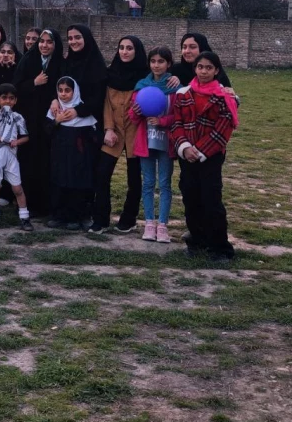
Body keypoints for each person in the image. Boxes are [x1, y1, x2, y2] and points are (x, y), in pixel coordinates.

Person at [171, 51, 239, 262]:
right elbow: (176, 122)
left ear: (216, 70)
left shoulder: (224, 98)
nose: (204, 71)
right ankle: (196, 240)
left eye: (209, 68)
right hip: (187, 154)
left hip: (210, 156)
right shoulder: (184, 94)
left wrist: (199, 151)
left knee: (211, 199)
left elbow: (222, 129)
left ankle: (220, 247)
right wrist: (184, 147)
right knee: (190, 196)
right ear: (195, 69)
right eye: (200, 67)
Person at [89, 35, 147, 235]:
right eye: (121, 47)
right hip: (113, 132)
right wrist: (108, 129)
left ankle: (128, 219)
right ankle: (101, 219)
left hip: (136, 132)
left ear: (136, 51)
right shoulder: (110, 74)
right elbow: (105, 103)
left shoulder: (145, 76)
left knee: (134, 179)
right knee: (102, 174)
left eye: (129, 48)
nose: (124, 51)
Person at [128, 46, 177, 243]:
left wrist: (162, 121)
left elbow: (178, 116)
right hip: (146, 142)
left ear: (169, 64)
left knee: (164, 184)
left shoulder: (174, 88)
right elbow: (132, 116)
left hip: (166, 143)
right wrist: (137, 111)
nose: (156, 65)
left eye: (161, 61)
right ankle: (149, 223)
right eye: (153, 61)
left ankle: (163, 225)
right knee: (148, 183)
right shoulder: (142, 85)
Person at [13, 28, 64, 219]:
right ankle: (29, 203)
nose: (44, 45)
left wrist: (54, 97)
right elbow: (16, 87)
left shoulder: (60, 62)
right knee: (30, 161)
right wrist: (33, 83)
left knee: (48, 161)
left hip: (52, 120)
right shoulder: (28, 60)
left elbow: (65, 86)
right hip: (30, 119)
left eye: (49, 42)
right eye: (41, 41)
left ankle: (49, 204)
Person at [45, 77, 98, 230]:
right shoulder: (54, 110)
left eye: (67, 90)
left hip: (79, 156)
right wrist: (58, 120)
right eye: (60, 90)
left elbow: (92, 135)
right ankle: (59, 216)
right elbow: (47, 131)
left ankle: (76, 217)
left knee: (77, 184)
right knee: (59, 184)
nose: (63, 94)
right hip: (59, 156)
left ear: (75, 91)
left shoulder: (81, 109)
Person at [0, 84, 32, 231]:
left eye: (11, 98)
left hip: (11, 156)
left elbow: (25, 137)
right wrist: (0, 139)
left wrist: (17, 141)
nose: (7, 101)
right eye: (4, 98)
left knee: (17, 188)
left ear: (15, 101)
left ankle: (24, 216)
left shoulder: (18, 117)